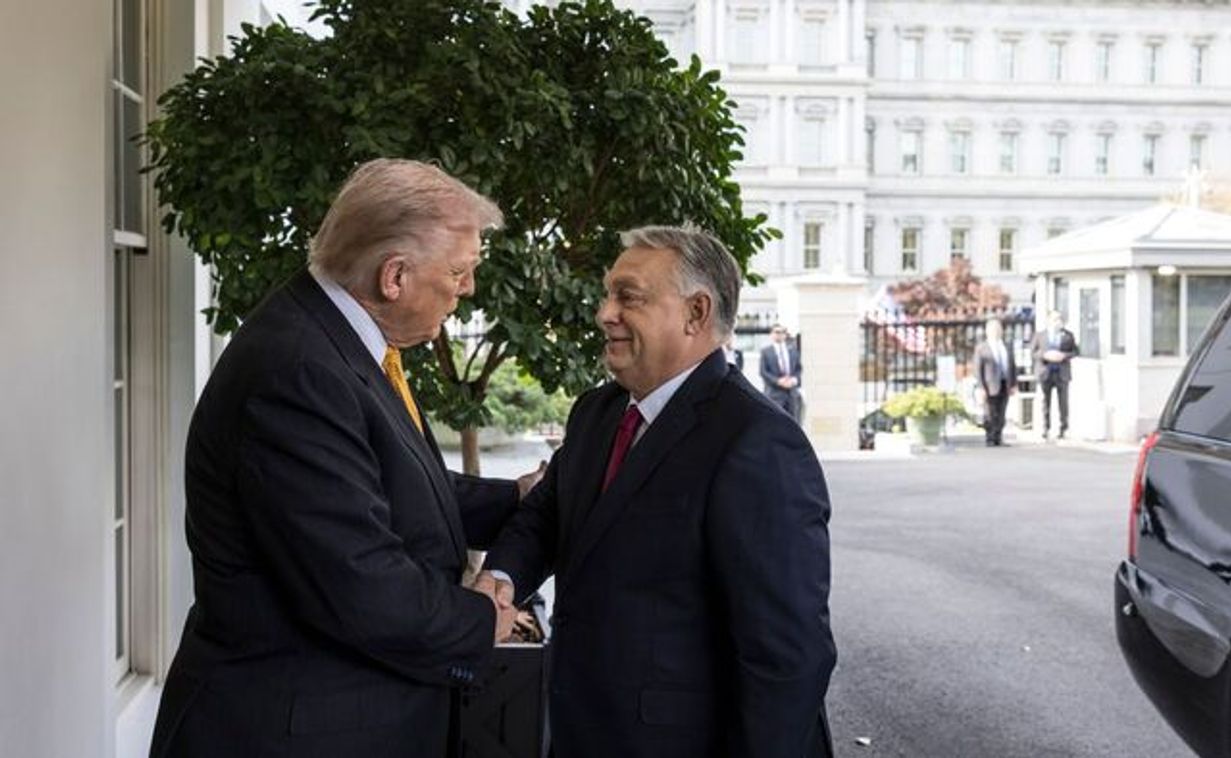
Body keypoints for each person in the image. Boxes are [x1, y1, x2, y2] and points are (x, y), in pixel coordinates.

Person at [150, 159, 542, 758]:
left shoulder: (330, 337)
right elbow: (363, 586)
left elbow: (389, 488)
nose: (467, 289)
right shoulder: (298, 370)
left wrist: (515, 497)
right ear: (394, 276)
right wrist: (483, 618)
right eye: (459, 271)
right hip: (290, 733)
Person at [476, 226, 836, 758]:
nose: (604, 313)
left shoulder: (758, 441)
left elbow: (787, 657)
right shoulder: (595, 412)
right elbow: (547, 516)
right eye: (608, 295)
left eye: (628, 297)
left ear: (696, 313)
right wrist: (501, 578)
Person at [1029, 310, 1078, 440]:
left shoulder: (1068, 336)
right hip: (1046, 372)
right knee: (1045, 402)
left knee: (1063, 402)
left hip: (1062, 373)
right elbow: (1033, 352)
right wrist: (1045, 355)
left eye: (1059, 319)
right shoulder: (1040, 335)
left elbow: (1075, 351)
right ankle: (1046, 428)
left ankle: (1064, 428)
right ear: (1049, 321)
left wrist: (1063, 356)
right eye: (1055, 319)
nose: (1057, 322)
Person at [974, 317, 1018, 447]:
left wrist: (1014, 384)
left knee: (1001, 412)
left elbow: (1012, 366)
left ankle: (998, 437)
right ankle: (990, 438)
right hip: (989, 384)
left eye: (998, 329)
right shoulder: (982, 348)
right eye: (993, 329)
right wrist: (981, 387)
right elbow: (977, 369)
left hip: (1004, 383)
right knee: (990, 412)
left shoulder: (1006, 346)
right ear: (987, 331)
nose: (996, 332)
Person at [760, 322, 803, 421]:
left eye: (782, 332)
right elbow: (763, 372)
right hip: (774, 395)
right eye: (777, 332)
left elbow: (798, 369)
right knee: (775, 422)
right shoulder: (766, 351)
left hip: (792, 395)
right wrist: (778, 381)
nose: (780, 334)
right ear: (771, 334)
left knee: (793, 423)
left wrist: (794, 380)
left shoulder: (793, 350)